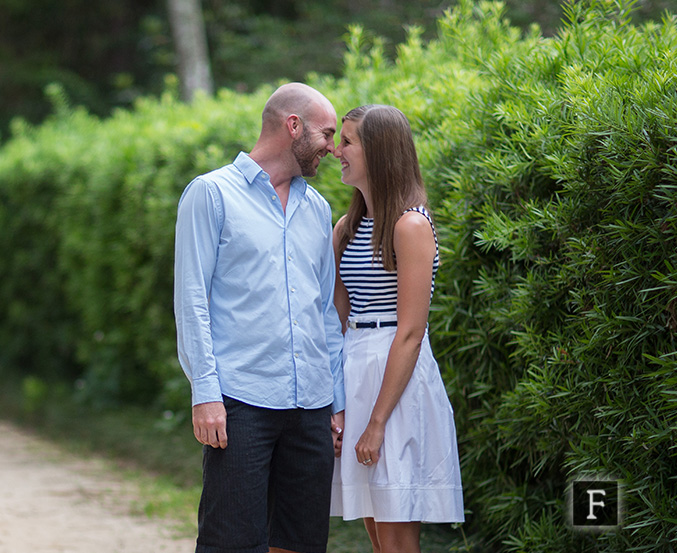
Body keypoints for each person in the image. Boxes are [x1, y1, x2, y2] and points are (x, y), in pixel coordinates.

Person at [174, 82, 346, 553]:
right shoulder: (210, 195)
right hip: (241, 403)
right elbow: (191, 301)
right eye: (327, 134)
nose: (332, 148)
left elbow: (325, 312)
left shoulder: (318, 208)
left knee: (301, 543)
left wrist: (338, 399)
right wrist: (205, 393)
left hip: (311, 405)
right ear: (294, 126)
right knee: (232, 543)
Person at [328, 104, 465, 552]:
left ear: (381, 152)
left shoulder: (411, 227)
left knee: (397, 540)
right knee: (377, 538)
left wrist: (377, 422)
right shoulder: (346, 229)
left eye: (348, 142)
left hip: (397, 384)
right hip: (357, 367)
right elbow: (337, 321)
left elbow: (410, 332)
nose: (336, 150)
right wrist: (340, 406)